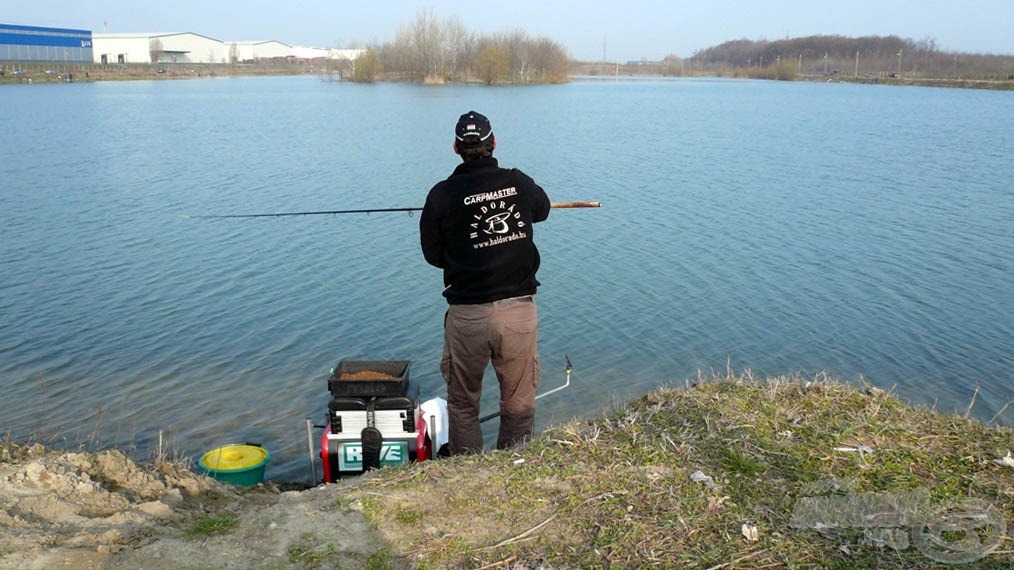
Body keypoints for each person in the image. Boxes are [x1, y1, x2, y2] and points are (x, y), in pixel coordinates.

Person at [420, 110, 551, 455]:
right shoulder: (518, 182)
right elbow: (543, 209)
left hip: (467, 317)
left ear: (455, 147)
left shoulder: (440, 196)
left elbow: (434, 257)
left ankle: (468, 472)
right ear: (494, 144)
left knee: (463, 404)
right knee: (519, 401)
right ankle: (514, 466)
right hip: (518, 314)